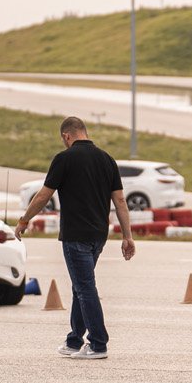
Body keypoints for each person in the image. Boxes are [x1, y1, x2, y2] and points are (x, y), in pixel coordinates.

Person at [14, 116, 134, 360]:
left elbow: (42, 196)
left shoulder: (64, 158)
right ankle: (73, 341)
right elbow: (120, 200)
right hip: (99, 236)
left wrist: (24, 220)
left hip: (75, 235)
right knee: (81, 286)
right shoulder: (107, 159)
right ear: (85, 132)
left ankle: (99, 343)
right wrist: (127, 236)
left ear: (67, 136)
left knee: (85, 288)